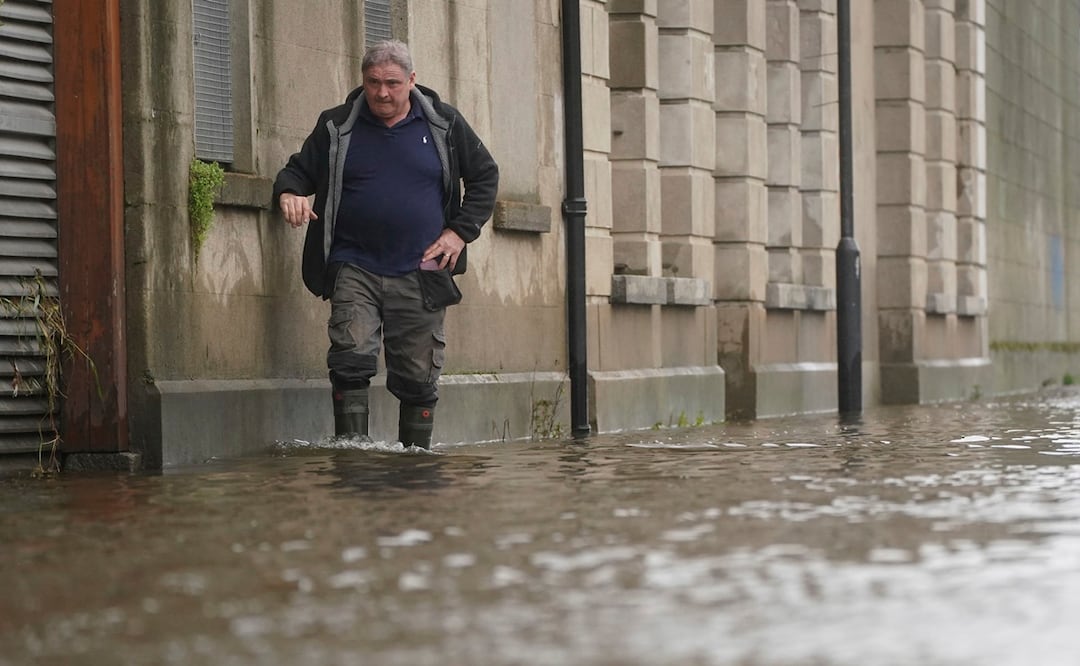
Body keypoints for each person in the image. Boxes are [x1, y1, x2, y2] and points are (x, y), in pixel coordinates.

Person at [273, 39, 499, 449]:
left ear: (412, 81)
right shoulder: (336, 125)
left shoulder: (444, 125)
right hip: (353, 263)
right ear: (363, 80)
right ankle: (352, 455)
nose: (381, 92)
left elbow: (485, 176)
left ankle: (413, 464)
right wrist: (289, 193)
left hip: (422, 269)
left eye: (392, 83)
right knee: (350, 356)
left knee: (417, 376)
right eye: (373, 82)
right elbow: (297, 171)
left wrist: (460, 232)